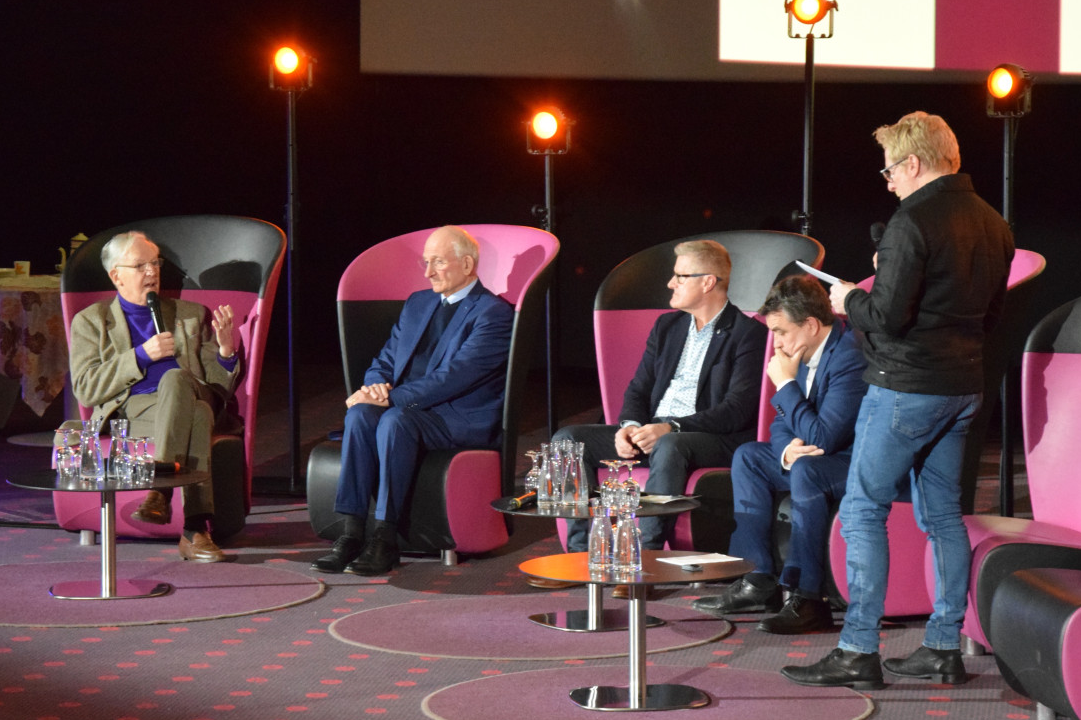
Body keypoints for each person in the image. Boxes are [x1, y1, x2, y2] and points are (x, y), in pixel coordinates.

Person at [781, 111, 1013, 690]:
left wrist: (845, 300)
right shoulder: (994, 224)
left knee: (862, 510)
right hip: (963, 387)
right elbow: (990, 318)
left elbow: (884, 317)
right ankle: (941, 646)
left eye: (889, 171)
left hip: (906, 388)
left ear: (913, 164)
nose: (887, 182)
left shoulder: (912, 222)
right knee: (943, 518)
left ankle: (859, 649)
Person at [536, 240, 765, 588]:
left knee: (670, 445)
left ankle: (642, 564)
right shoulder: (667, 327)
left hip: (710, 438)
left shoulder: (748, 334)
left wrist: (669, 427)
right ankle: (578, 557)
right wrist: (627, 427)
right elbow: (638, 389)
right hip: (655, 432)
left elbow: (736, 410)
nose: (670, 284)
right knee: (567, 439)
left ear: (708, 282)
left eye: (680, 276)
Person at [315, 225, 513, 577]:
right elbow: (386, 360)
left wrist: (389, 400)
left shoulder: (493, 313)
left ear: (467, 264)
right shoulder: (418, 303)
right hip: (407, 408)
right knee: (361, 415)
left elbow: (455, 376)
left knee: (392, 419)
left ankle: (386, 538)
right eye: (426, 262)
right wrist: (373, 389)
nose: (428, 272)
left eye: (437, 262)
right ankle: (350, 533)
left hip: (454, 416)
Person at [691, 274, 867, 633]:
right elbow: (782, 423)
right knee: (749, 457)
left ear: (812, 324)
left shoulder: (849, 355)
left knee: (808, 472)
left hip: (855, 460)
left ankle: (807, 596)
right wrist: (787, 448)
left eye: (781, 332)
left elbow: (826, 437)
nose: (776, 343)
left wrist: (786, 383)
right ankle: (757, 579)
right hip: (816, 454)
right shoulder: (800, 349)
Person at [69, 231, 240, 563]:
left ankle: (159, 492)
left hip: (190, 391)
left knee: (180, 382)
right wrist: (141, 355)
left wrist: (225, 350)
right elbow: (87, 388)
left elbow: (220, 387)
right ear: (116, 275)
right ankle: (194, 531)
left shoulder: (190, 314)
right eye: (140, 265)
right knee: (200, 415)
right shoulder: (91, 322)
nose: (152, 271)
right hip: (133, 412)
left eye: (155, 263)